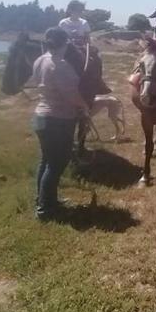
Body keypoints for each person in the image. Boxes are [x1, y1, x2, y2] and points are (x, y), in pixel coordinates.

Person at [30, 27, 89, 220]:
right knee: (56, 164)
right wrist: (84, 106)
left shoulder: (40, 60)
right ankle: (45, 210)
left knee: (46, 161)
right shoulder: (60, 65)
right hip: (59, 119)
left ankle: (44, 200)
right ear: (65, 43)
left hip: (41, 116)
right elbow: (71, 94)